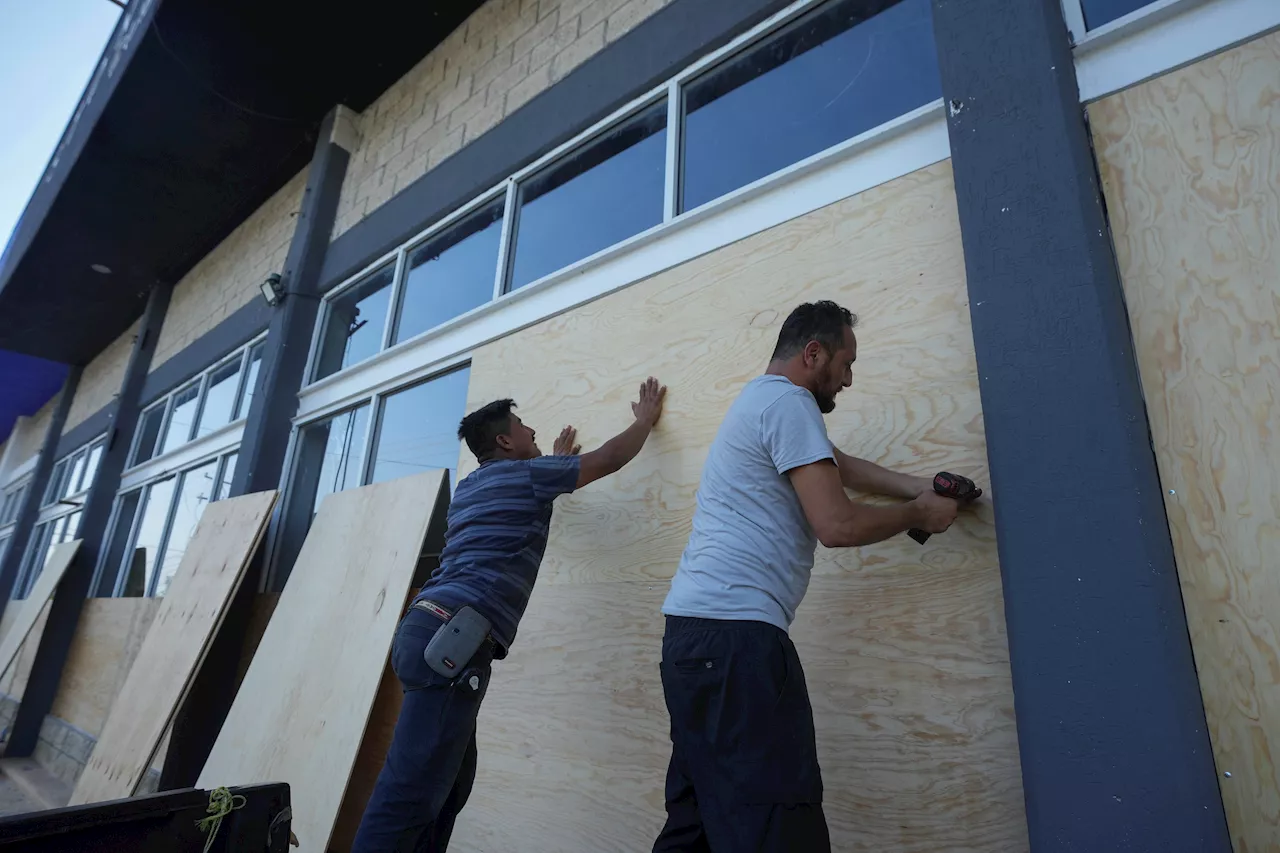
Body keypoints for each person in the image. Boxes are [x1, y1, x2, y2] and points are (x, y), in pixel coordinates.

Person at [652, 301, 974, 852]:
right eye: (846, 363)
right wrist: (919, 516)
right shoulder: (791, 401)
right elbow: (837, 524)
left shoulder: (760, 400)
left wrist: (921, 486)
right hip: (738, 644)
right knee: (778, 825)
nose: (848, 379)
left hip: (690, 641)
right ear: (813, 353)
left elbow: (840, 465)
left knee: (698, 824)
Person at [352, 377, 667, 853]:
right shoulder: (527, 477)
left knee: (450, 785)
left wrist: (551, 461)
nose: (531, 428)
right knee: (411, 795)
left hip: (428, 629)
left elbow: (527, 491)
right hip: (451, 640)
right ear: (504, 441)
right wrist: (643, 421)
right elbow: (605, 460)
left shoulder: (473, 486)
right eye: (522, 426)